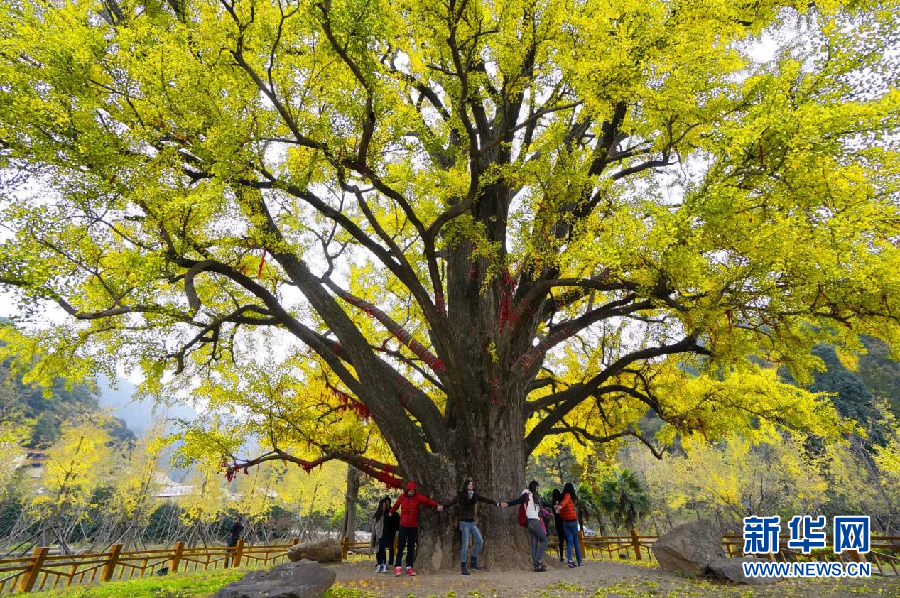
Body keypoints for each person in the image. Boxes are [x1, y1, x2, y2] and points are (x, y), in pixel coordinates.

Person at [443, 479, 497, 575]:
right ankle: (463, 567)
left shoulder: (474, 495)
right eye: (470, 484)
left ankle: (473, 562)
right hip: (464, 522)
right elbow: (452, 502)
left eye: (472, 484)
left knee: (480, 541)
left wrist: (496, 503)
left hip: (472, 523)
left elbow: (485, 499)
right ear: (466, 485)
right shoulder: (461, 495)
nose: (472, 485)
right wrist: (442, 507)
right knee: (465, 545)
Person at [391, 481, 443, 576]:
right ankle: (398, 567)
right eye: (410, 491)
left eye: (413, 491)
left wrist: (437, 505)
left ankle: (409, 567)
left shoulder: (418, 497)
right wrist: (391, 512)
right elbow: (396, 505)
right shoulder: (402, 497)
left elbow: (427, 501)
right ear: (407, 490)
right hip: (403, 525)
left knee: (411, 547)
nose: (412, 492)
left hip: (413, 526)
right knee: (401, 546)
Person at [500, 480, 551, 572]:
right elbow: (518, 501)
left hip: (532, 522)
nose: (538, 489)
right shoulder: (527, 494)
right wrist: (507, 504)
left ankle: (536, 567)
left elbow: (543, 503)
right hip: (533, 521)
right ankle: (538, 560)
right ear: (534, 487)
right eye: (537, 487)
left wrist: (553, 506)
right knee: (544, 540)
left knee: (534, 544)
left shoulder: (536, 497)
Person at [556, 483, 583, 567]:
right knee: (575, 541)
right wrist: (561, 506)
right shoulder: (568, 496)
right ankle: (579, 561)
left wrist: (559, 507)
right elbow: (565, 502)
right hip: (573, 521)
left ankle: (570, 560)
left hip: (565, 522)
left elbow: (560, 510)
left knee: (569, 542)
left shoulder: (561, 497)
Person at [370, 497, 391, 573]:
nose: (384, 507)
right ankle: (379, 564)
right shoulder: (377, 514)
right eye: (383, 505)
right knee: (378, 550)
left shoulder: (388, 514)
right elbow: (374, 525)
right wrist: (374, 534)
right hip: (377, 535)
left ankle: (384, 564)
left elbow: (389, 525)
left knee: (382, 550)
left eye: (385, 506)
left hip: (384, 535)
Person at [379, 496, 400, 573]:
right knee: (381, 547)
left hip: (391, 531)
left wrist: (395, 529)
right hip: (383, 531)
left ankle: (390, 562)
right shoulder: (382, 512)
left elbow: (397, 523)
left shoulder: (394, 513)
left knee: (391, 546)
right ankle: (381, 562)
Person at [551, 488, 567, 562]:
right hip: (564, 521)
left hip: (557, 523)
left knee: (561, 540)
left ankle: (561, 556)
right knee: (567, 539)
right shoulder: (561, 501)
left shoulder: (553, 503)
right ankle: (569, 554)